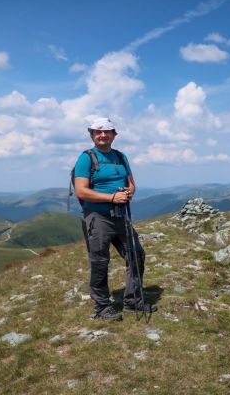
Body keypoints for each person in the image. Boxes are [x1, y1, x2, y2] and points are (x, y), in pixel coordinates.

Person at [74, 117, 157, 321]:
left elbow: (131, 184)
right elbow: (81, 191)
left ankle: (132, 301)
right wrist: (111, 197)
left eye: (107, 131)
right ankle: (102, 307)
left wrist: (128, 192)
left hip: (120, 216)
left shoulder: (120, 157)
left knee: (136, 254)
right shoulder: (86, 158)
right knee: (100, 262)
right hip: (98, 217)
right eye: (98, 132)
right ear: (92, 135)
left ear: (114, 134)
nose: (103, 135)